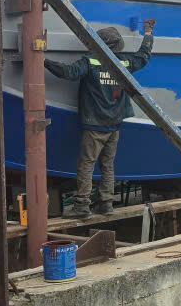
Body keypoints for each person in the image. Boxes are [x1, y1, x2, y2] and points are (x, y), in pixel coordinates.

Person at [45, 19, 155, 217]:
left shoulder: (90, 61)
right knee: (107, 165)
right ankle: (106, 203)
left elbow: (68, 72)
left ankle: (82, 205)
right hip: (115, 125)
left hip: (95, 125)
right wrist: (148, 33)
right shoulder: (125, 62)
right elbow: (143, 56)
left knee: (87, 164)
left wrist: (43, 61)